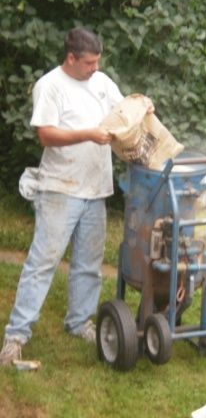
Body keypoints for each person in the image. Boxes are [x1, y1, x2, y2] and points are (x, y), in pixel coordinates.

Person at [0, 27, 154, 365]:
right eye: (89, 63)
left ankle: (79, 322)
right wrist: (87, 134)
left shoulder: (101, 82)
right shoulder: (50, 86)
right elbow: (45, 135)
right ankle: (15, 336)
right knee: (43, 262)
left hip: (95, 188)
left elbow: (124, 110)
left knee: (89, 264)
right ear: (71, 58)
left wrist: (143, 106)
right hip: (60, 188)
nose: (95, 68)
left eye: (98, 61)